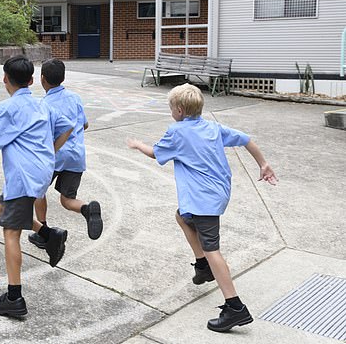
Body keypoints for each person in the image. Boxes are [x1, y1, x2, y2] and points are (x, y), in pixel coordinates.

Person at [126, 83, 277, 332]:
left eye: (171, 107)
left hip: (204, 199)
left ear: (180, 110)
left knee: (212, 248)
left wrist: (137, 144)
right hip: (215, 194)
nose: (171, 111)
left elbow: (155, 153)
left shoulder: (177, 132)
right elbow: (246, 139)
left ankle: (235, 306)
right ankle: (202, 265)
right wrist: (263, 163)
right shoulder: (212, 127)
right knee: (182, 217)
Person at [0, 55, 72, 319]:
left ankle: (14, 298)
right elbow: (69, 126)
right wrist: (50, 150)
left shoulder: (9, 107)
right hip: (40, 172)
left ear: (5, 79)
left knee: (10, 233)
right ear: (32, 81)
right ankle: (48, 235)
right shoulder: (42, 105)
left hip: (23, 177)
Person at [28, 59, 103, 251]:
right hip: (77, 155)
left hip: (55, 155)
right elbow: (84, 124)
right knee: (67, 200)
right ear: (64, 77)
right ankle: (86, 209)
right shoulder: (75, 98)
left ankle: (42, 231)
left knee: (38, 191)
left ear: (42, 79)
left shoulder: (43, 104)